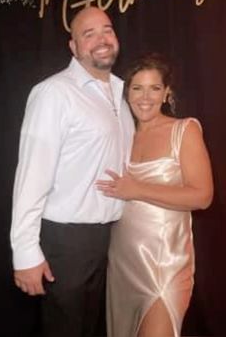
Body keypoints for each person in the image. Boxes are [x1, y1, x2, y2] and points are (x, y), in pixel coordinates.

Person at [10, 6, 134, 337]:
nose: (101, 39)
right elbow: (31, 176)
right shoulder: (55, 93)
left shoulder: (122, 97)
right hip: (65, 242)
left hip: (107, 239)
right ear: (73, 47)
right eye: (88, 34)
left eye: (106, 29)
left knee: (91, 329)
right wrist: (25, 252)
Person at [96, 52, 214, 337]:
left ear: (166, 93)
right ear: (127, 94)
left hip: (165, 264)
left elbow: (202, 196)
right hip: (123, 263)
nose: (145, 97)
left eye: (154, 88)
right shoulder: (122, 136)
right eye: (137, 88)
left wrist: (137, 189)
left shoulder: (183, 130)